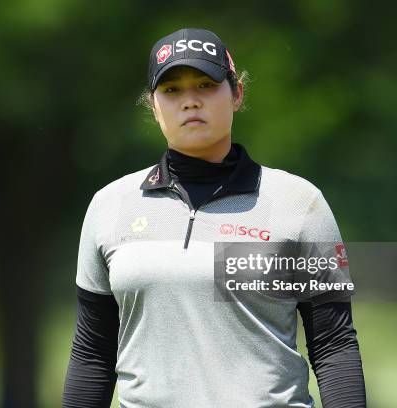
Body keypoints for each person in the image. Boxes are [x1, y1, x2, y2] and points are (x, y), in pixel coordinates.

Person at [63, 28, 366, 407]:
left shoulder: (299, 204)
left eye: (206, 85)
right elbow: (93, 353)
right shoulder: (110, 206)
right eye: (172, 90)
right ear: (153, 106)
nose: (190, 101)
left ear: (237, 94)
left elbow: (333, 344)